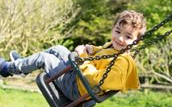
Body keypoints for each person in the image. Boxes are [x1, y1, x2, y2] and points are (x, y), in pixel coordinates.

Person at [0, 10, 146, 101]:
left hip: (78, 89)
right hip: (78, 77)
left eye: (128, 36)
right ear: (113, 29)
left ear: (136, 42)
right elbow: (102, 52)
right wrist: (92, 49)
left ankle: (7, 69)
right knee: (58, 48)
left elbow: (97, 80)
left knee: (45, 59)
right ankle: (23, 66)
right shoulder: (113, 48)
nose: (120, 38)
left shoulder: (122, 62)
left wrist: (82, 58)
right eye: (118, 31)